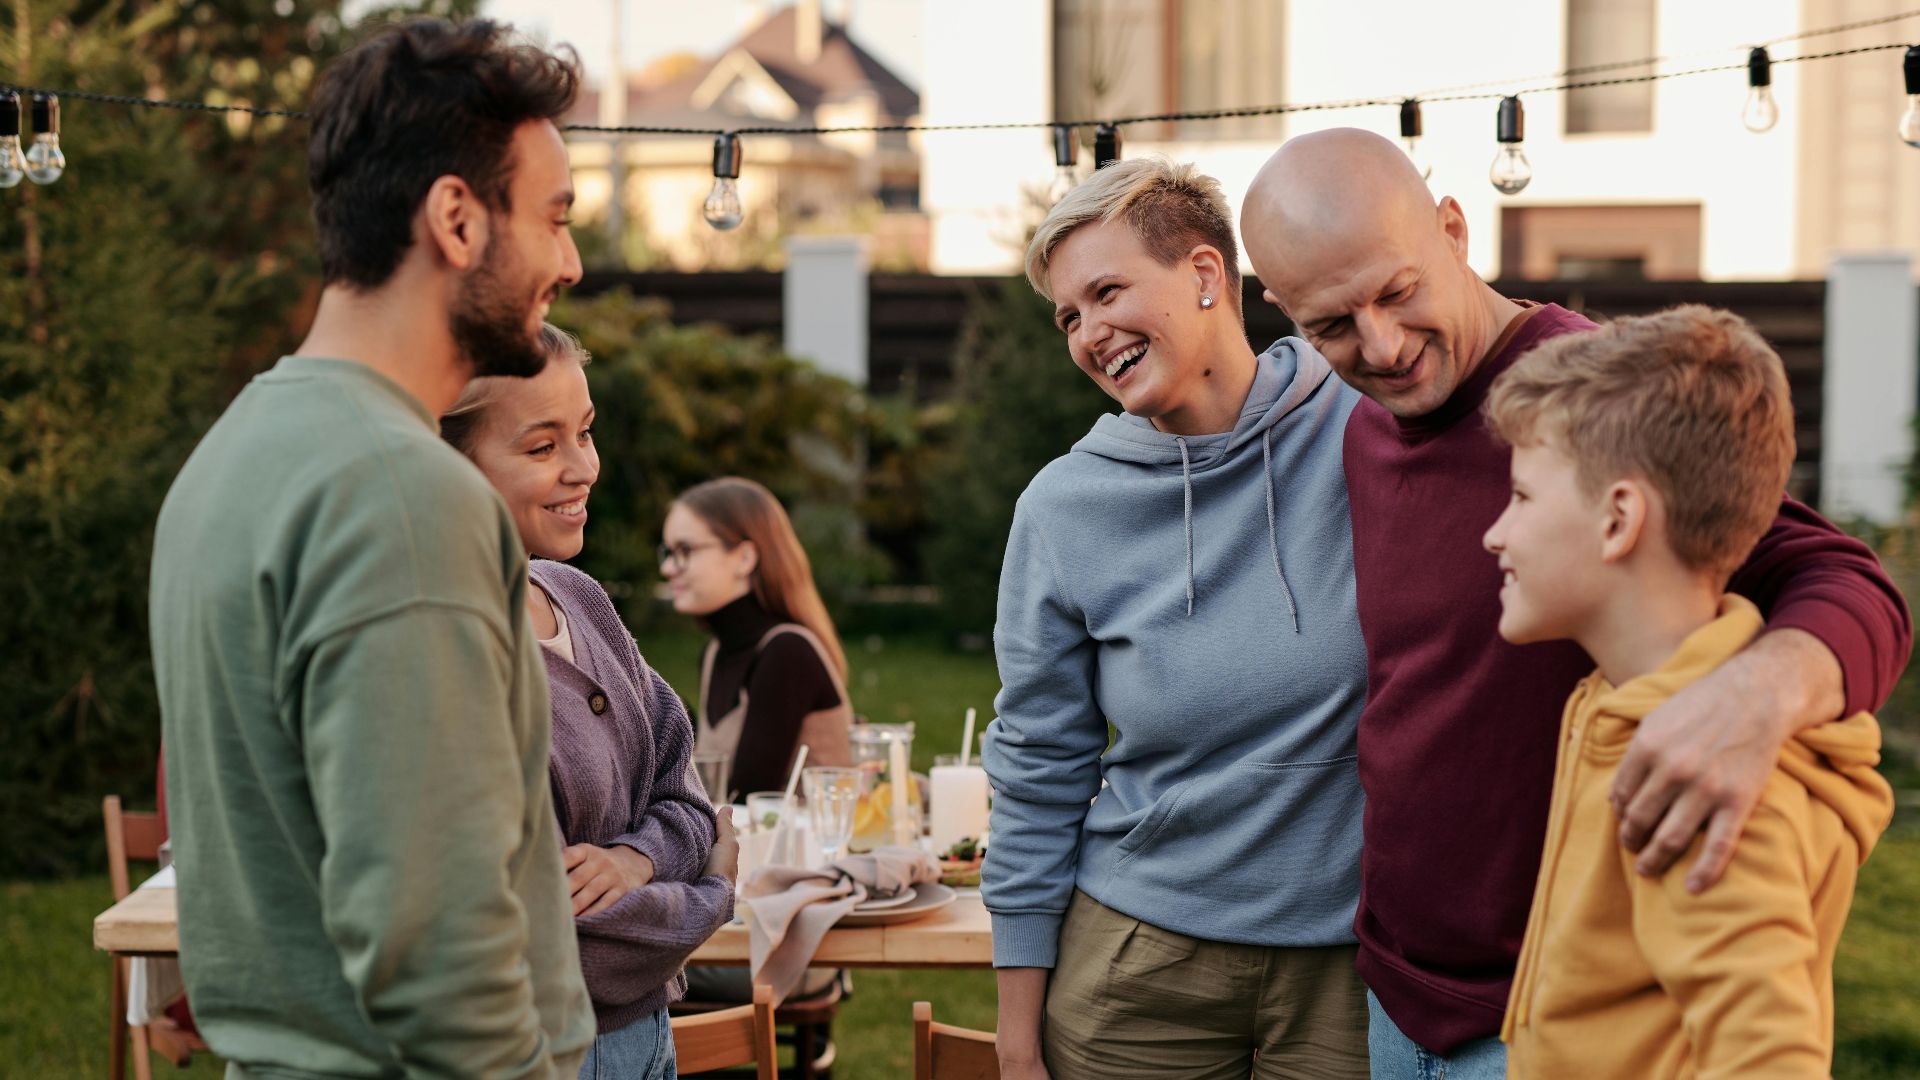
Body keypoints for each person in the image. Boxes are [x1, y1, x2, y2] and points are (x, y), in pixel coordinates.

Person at [1240, 128, 1911, 1079]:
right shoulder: (1365, 426)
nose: (1381, 348)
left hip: (1555, 1004)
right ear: (1282, 310)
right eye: (1332, 326)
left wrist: (1757, 694)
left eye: (1397, 292)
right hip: (1397, 991)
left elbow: (1845, 577)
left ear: (1453, 228)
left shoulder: (1584, 403)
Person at [148, 18, 597, 1076]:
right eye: (554, 217)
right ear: (455, 218)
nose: (569, 262)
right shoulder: (404, 497)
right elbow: (436, 947)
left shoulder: (232, 456)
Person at [983, 157, 1371, 1080]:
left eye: (1107, 291)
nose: (1089, 334)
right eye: (1069, 317)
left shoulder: (1366, 427)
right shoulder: (1064, 508)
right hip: (1139, 965)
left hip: (1352, 962)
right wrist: (1014, 1033)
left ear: (1206, 275)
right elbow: (1040, 764)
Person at [1482, 306, 1894, 1076]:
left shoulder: (1699, 783)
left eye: (1524, 498)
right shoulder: (1626, 701)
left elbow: (1770, 1060)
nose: (1494, 533)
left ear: (1619, 520)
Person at [442, 324, 741, 1080]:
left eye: (585, 432)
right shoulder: (448, 656)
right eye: (542, 448)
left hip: (647, 1042)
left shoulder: (579, 599)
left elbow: (686, 796)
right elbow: (557, 943)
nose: (583, 468)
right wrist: (711, 893)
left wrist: (639, 859)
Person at [661, 477, 854, 801]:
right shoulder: (716, 653)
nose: (668, 567)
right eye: (667, 552)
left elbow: (745, 800)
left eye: (684, 550)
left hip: (811, 850)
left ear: (744, 559)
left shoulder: (787, 652)